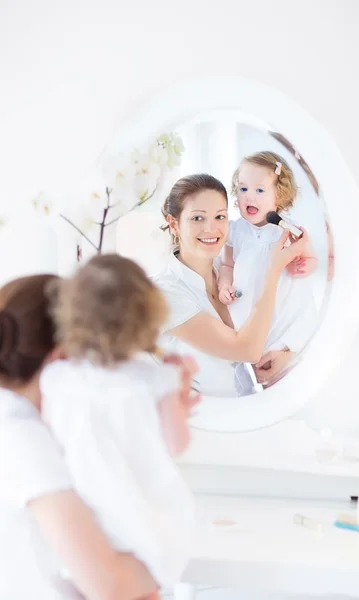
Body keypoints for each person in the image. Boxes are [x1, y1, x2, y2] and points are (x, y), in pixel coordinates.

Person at [40, 254, 197, 592]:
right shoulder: (154, 379)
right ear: (148, 314)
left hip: (83, 516)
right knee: (145, 585)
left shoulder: (56, 378)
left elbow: (51, 440)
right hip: (143, 509)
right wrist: (179, 389)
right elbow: (177, 443)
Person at [0, 273, 161, 600]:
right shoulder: (21, 440)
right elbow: (110, 585)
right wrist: (164, 559)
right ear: (62, 360)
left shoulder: (25, 422)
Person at [154, 173, 309, 397]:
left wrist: (285, 352)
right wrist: (273, 270)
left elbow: (287, 313)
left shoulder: (234, 269)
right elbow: (246, 349)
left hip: (247, 407)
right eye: (197, 218)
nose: (211, 229)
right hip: (201, 421)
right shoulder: (164, 293)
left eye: (220, 216)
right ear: (174, 224)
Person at [217, 152, 319, 386]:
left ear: (279, 196)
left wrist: (303, 265)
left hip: (280, 305)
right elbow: (227, 263)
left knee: (283, 364)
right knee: (251, 356)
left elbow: (312, 258)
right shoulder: (235, 230)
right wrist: (224, 283)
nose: (249, 197)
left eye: (260, 190)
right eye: (243, 189)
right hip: (249, 306)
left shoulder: (287, 230)